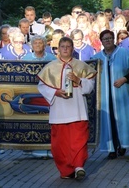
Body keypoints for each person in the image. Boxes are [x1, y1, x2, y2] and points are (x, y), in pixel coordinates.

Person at [37, 37, 97, 180]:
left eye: (68, 46)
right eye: (62, 46)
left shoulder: (81, 65)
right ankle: (66, 171)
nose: (65, 49)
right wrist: (54, 92)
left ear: (72, 48)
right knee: (60, 144)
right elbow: (42, 86)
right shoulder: (50, 67)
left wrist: (79, 80)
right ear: (58, 49)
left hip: (77, 109)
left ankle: (78, 166)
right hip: (59, 110)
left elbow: (90, 87)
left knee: (78, 139)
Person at [92, 30, 129, 159]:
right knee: (109, 121)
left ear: (114, 39)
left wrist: (124, 79)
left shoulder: (124, 53)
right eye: (105, 39)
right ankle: (112, 148)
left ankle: (122, 145)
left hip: (121, 95)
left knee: (121, 120)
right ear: (101, 41)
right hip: (105, 97)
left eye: (110, 38)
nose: (108, 41)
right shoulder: (97, 58)